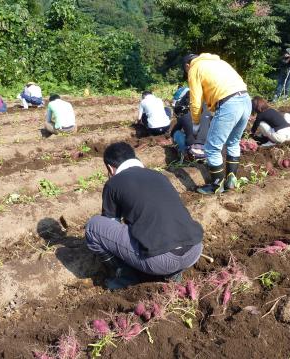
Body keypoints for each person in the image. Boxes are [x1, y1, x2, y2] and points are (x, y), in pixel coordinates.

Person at [85, 142, 203, 289]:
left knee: (93, 226)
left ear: (110, 168)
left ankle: (125, 277)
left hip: (161, 261)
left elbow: (111, 223)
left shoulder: (113, 183)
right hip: (194, 250)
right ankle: (174, 274)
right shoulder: (159, 175)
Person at [183, 53, 252, 195]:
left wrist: (196, 125)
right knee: (233, 142)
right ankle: (231, 179)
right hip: (245, 99)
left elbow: (195, 102)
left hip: (229, 103)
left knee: (211, 148)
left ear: (187, 66)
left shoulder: (194, 69)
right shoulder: (218, 62)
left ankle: (216, 186)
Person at [170, 90, 211, 161]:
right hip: (208, 150)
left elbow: (173, 132)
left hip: (193, 151)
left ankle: (184, 154)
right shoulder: (209, 112)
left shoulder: (185, 114)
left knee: (177, 133)